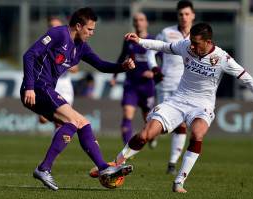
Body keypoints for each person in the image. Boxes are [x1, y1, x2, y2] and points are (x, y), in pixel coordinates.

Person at [114, 23, 253, 193]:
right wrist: (140, 41)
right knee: (144, 135)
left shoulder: (223, 59)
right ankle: (116, 163)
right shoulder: (186, 46)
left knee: (197, 134)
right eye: (191, 41)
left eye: (196, 43)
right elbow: (164, 46)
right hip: (178, 101)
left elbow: (248, 80)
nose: (192, 46)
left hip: (202, 105)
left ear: (208, 42)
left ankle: (179, 182)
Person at [20, 7, 134, 191]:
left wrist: (122, 67)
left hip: (47, 89)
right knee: (75, 120)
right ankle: (44, 168)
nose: (91, 33)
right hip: (38, 88)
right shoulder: (58, 34)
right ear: (78, 25)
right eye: (89, 29)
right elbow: (29, 55)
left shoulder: (81, 47)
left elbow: (101, 65)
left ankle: (102, 167)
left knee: (82, 123)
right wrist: (30, 87)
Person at [147, 0, 195, 174]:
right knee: (162, 126)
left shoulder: (198, 35)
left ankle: (172, 164)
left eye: (187, 14)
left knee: (182, 124)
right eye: (181, 14)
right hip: (165, 83)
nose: (184, 17)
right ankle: (152, 135)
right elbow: (150, 50)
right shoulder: (167, 32)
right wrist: (154, 68)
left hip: (186, 87)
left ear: (193, 16)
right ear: (177, 16)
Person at [110, 12, 157, 145]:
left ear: (146, 22)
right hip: (131, 84)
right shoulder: (129, 40)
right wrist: (114, 75)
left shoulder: (153, 41)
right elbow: (121, 57)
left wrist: (154, 73)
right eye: (136, 20)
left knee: (148, 120)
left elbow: (164, 61)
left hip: (147, 85)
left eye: (141, 19)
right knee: (127, 114)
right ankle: (126, 149)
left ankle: (152, 137)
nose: (138, 22)